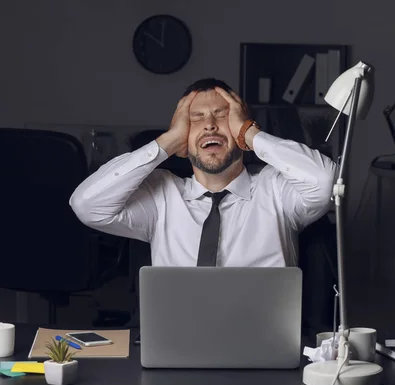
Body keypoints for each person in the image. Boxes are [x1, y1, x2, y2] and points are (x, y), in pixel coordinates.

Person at [69, 78, 337, 267]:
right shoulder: (161, 196)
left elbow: (327, 183)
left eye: (222, 115)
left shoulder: (277, 190)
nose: (209, 125)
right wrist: (168, 142)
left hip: (263, 343)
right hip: (177, 344)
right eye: (196, 118)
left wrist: (250, 133)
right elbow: (86, 205)